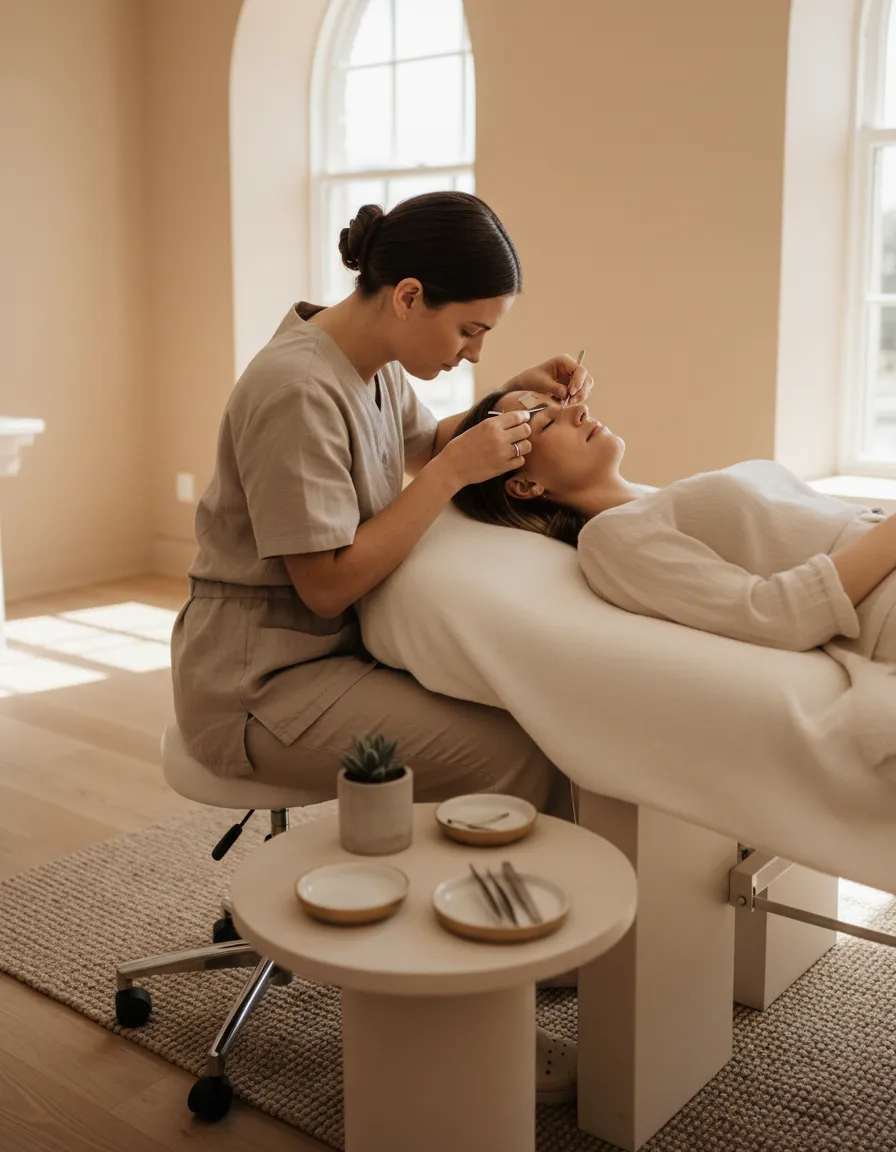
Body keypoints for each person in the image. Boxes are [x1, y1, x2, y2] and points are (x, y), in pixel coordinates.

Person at [170, 193, 592, 1103]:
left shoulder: (366, 361)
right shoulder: (294, 388)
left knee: (534, 722)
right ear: (407, 296)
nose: (472, 352)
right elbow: (326, 583)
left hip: (324, 657)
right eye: (470, 330)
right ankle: (477, 1011)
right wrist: (451, 473)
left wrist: (506, 397)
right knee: (509, 757)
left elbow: (419, 445)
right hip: (257, 683)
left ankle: (512, 936)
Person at [452, 388, 896, 663]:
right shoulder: (611, 538)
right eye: (548, 422)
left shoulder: (650, 502)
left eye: (563, 403)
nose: (580, 411)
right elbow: (777, 616)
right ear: (525, 485)